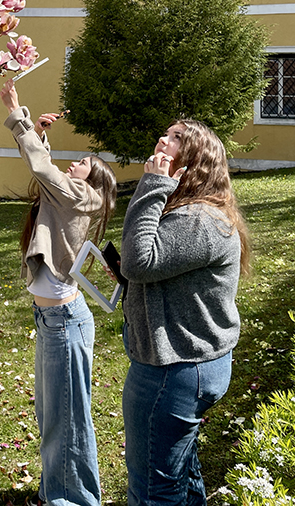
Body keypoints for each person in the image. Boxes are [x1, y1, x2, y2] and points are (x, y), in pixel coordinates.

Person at [120, 119, 250, 506]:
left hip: (174, 370)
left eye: (176, 137)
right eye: (166, 132)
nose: (163, 138)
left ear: (196, 161)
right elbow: (148, 266)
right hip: (186, 364)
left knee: (152, 489)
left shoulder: (199, 218)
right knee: (180, 474)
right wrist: (129, 272)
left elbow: (140, 260)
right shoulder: (196, 213)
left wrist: (153, 185)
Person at [0, 78, 117, 506]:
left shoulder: (83, 195)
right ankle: (57, 493)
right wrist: (38, 131)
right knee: (54, 417)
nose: (76, 164)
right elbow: (43, 167)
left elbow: (42, 169)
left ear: (95, 176)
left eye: (84, 161)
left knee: (66, 421)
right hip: (55, 320)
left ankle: (73, 501)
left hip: (63, 321)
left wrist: (17, 113)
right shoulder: (73, 196)